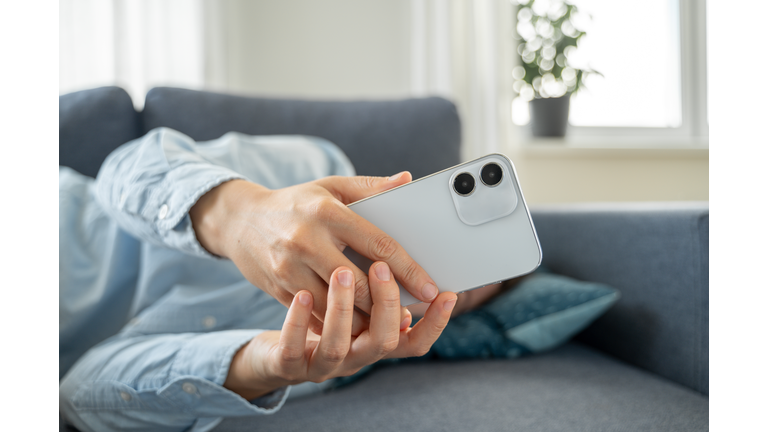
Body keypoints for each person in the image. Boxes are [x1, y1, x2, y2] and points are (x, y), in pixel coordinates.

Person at [60, 127, 503, 431]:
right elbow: (124, 166)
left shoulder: (327, 356)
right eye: (450, 248)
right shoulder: (317, 165)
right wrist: (240, 215)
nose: (432, 277)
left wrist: (259, 365)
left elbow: (78, 395)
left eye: (455, 296)